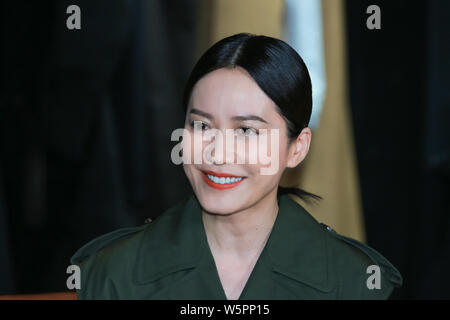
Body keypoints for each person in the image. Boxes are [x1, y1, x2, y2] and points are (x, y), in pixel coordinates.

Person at [71, 33, 402, 299]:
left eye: (246, 131)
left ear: (296, 148)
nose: (217, 154)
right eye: (201, 126)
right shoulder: (112, 275)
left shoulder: (355, 283)